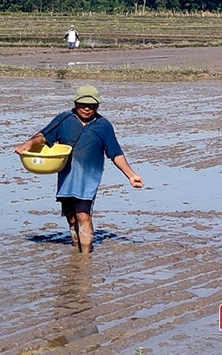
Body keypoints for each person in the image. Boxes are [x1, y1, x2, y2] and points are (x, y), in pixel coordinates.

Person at [14, 85, 143, 254]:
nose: (87, 108)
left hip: (89, 177)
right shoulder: (64, 119)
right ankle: (77, 249)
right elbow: (43, 137)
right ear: (76, 103)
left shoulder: (104, 126)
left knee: (83, 215)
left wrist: (131, 175)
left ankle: (85, 258)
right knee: (72, 217)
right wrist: (28, 144)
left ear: (97, 106)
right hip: (66, 176)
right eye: (83, 104)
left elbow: (115, 154)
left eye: (92, 105)